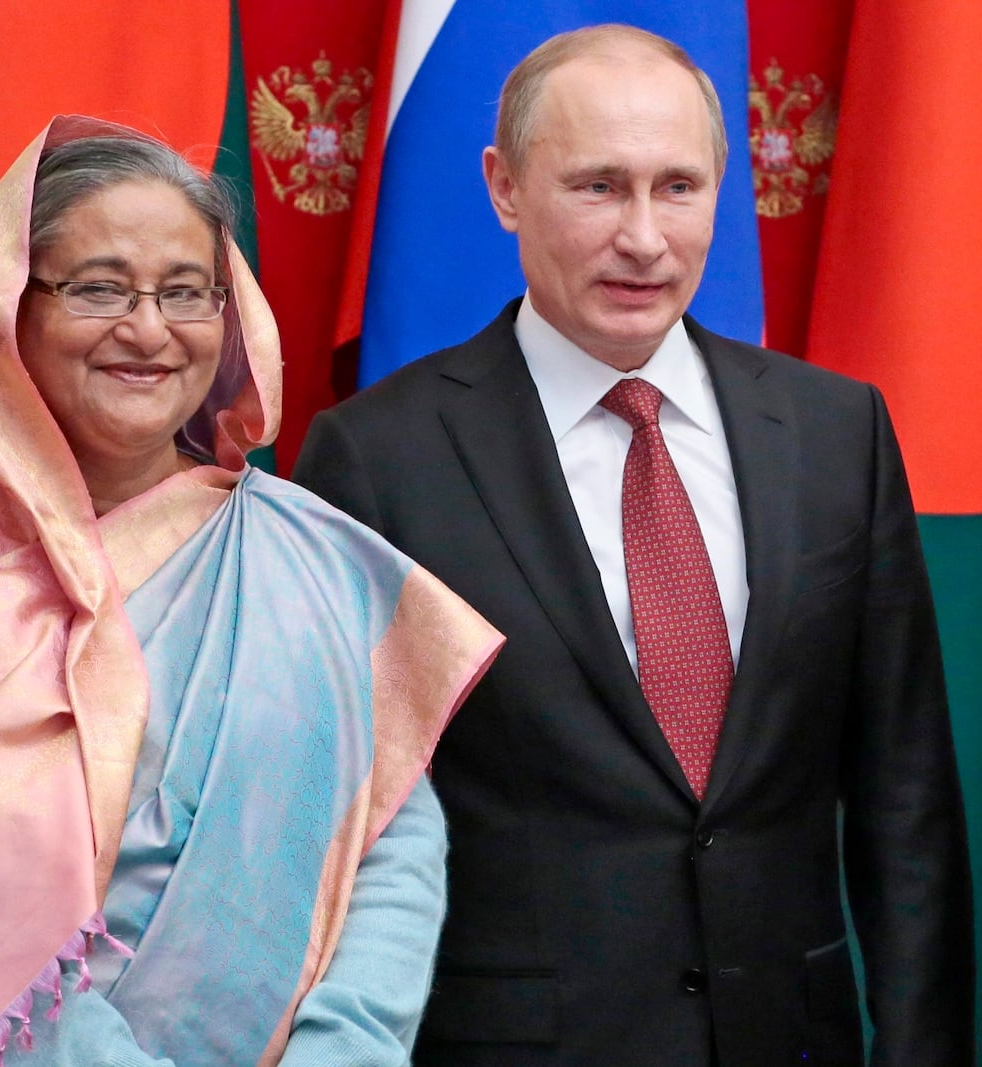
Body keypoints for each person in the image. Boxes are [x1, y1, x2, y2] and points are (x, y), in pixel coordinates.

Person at [0, 118, 502, 1065]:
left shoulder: (304, 557)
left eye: (186, 293)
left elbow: (387, 835)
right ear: (9, 310)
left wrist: (344, 1047)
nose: (148, 330)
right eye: (100, 287)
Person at [294, 23, 974, 1067]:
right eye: (599, 187)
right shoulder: (376, 458)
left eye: (678, 187)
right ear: (505, 186)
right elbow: (330, 823)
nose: (645, 238)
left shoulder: (838, 434)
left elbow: (905, 798)